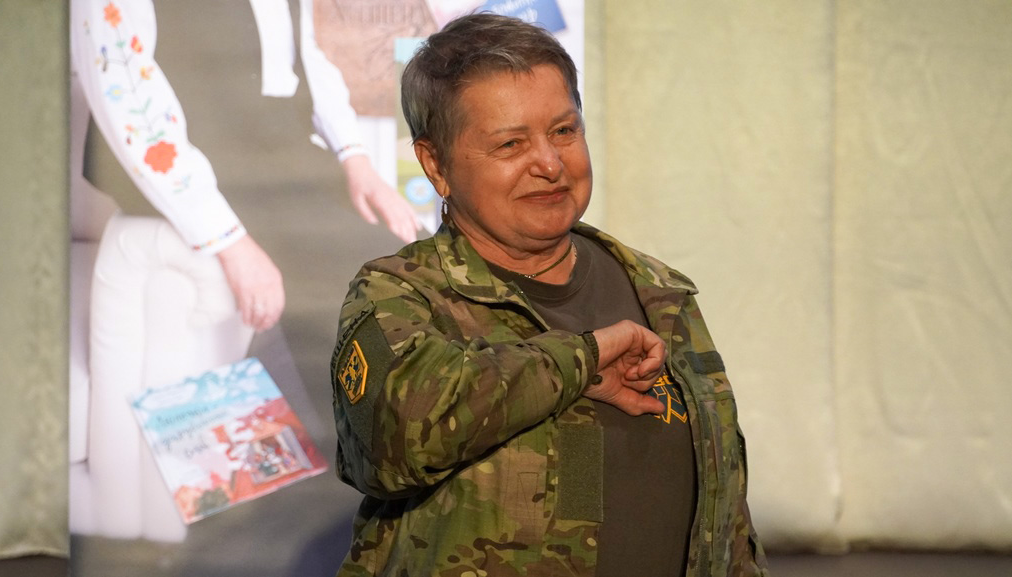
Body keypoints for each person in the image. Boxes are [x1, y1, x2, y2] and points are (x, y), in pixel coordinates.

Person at [330, 13, 770, 576]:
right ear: (436, 165)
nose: (549, 163)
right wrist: (579, 360)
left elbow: (725, 510)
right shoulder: (399, 293)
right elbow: (394, 440)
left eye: (564, 131)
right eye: (511, 143)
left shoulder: (658, 289)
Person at [71, 0, 422, 332]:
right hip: (195, 164)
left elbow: (306, 52)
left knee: (422, 256)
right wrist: (230, 242)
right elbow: (125, 89)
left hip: (279, 154)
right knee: (362, 290)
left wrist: (356, 160)